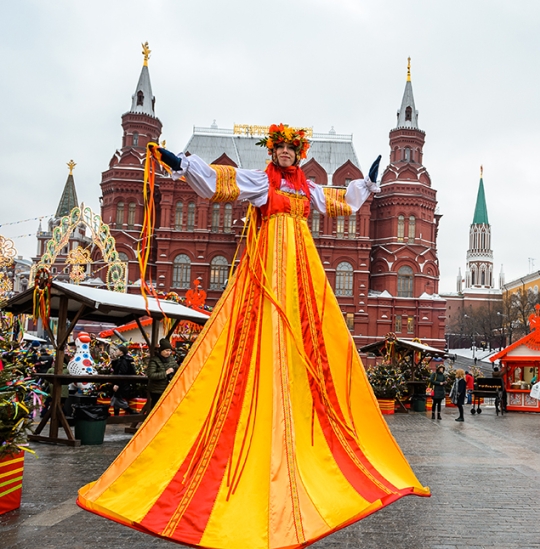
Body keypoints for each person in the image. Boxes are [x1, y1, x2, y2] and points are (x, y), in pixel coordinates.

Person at [78, 126, 428, 548]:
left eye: (289, 150)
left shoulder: (307, 187)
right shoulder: (261, 182)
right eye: (279, 149)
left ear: (297, 155)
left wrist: (367, 184)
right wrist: (183, 163)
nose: (283, 155)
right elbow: (222, 185)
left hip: (300, 262)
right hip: (269, 261)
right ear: (275, 152)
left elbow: (341, 203)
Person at [143, 338, 178, 416]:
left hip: (169, 389)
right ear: (161, 350)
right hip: (157, 391)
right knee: (156, 410)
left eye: (169, 351)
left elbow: (176, 368)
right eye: (166, 350)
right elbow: (151, 375)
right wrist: (166, 373)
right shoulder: (154, 360)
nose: (168, 353)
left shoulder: (171, 359)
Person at [109, 345, 137, 416]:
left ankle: (133, 413)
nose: (116, 351)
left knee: (117, 400)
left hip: (122, 384)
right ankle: (116, 418)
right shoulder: (122, 360)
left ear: (121, 352)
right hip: (123, 384)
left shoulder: (124, 361)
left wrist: (117, 384)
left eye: (117, 350)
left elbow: (122, 373)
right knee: (116, 400)